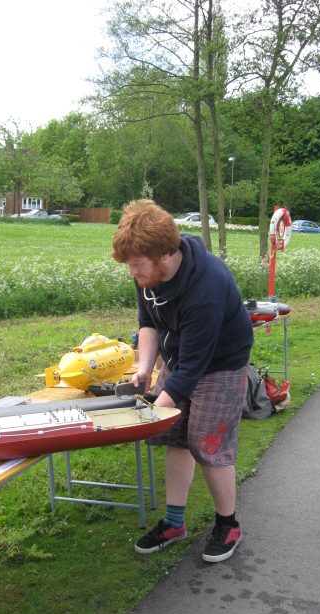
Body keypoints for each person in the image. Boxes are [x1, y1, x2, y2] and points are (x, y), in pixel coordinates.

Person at [112, 200, 253, 563]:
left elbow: (194, 368)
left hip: (221, 362)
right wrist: (145, 368)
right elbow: (147, 321)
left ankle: (229, 524)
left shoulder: (207, 285)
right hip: (182, 357)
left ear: (164, 255)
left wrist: (152, 411)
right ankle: (175, 523)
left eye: (137, 266)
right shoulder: (148, 273)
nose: (132, 274)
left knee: (207, 439)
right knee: (175, 434)